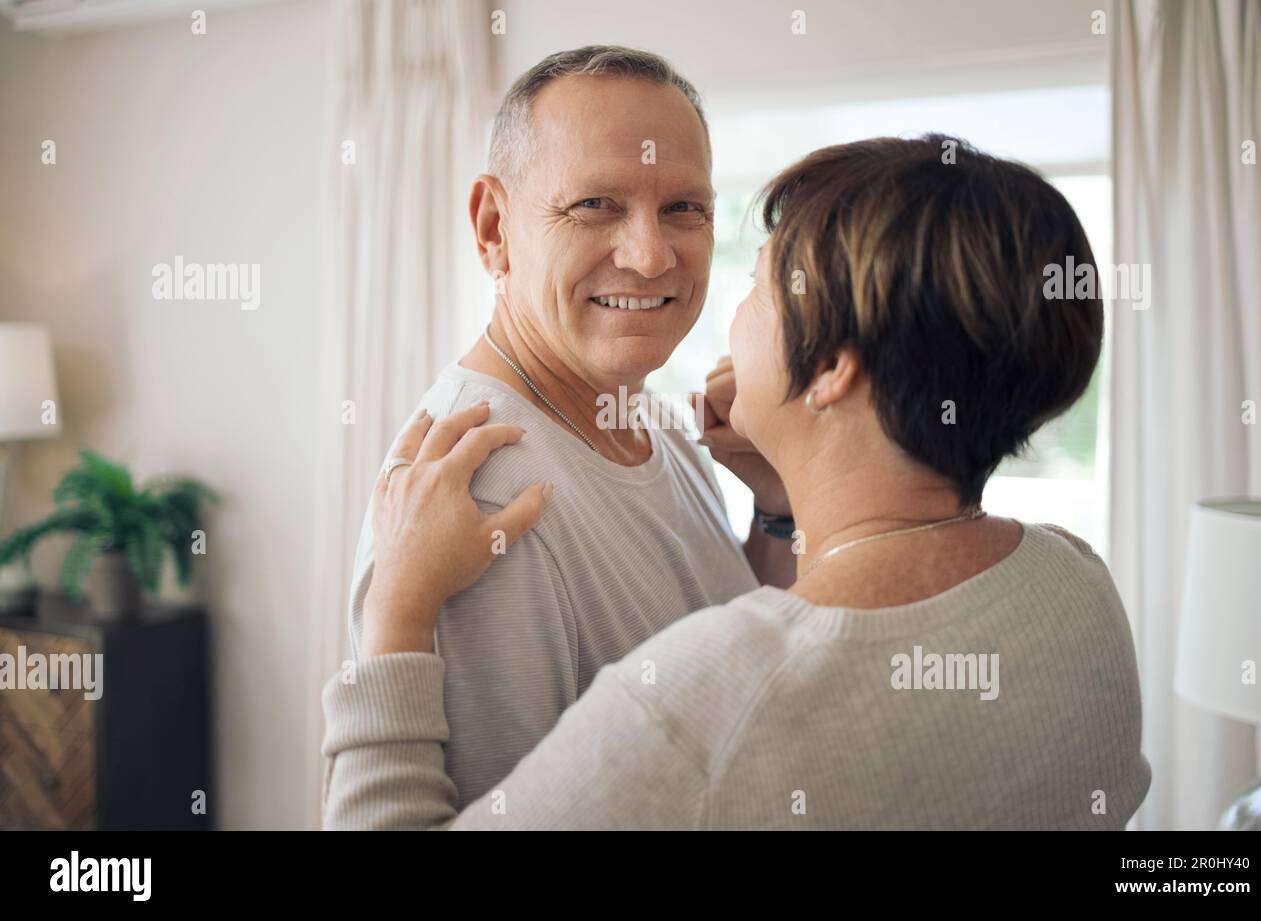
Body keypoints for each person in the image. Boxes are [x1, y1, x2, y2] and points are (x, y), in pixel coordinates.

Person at [322, 135, 1152, 830]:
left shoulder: (698, 705)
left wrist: (395, 614)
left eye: (758, 283)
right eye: (595, 204)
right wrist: (782, 511)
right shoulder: (1079, 584)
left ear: (829, 368)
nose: (662, 261)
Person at [344, 47, 793, 808]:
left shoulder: (652, 417)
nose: (651, 257)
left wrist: (776, 507)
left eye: (685, 207)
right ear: (494, 228)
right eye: (595, 205)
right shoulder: (485, 492)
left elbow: (733, 666)